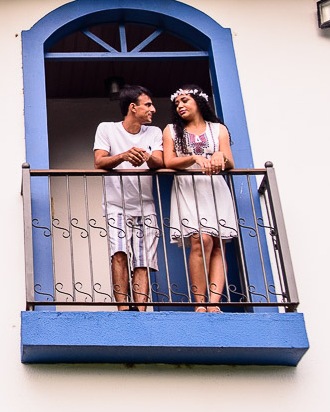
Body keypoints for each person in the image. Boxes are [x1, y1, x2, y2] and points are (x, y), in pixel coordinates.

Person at [162, 85, 237, 312]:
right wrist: (194, 157)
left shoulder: (218, 129)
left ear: (198, 102)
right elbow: (169, 161)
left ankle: (214, 303)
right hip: (189, 187)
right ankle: (199, 301)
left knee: (218, 245)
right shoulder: (171, 131)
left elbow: (230, 163)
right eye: (177, 104)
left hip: (214, 188)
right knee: (200, 239)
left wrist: (219, 155)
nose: (180, 106)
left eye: (185, 101)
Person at [93, 85, 163, 311]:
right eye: (148, 105)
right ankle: (123, 308)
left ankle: (140, 310)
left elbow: (159, 162)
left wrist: (147, 157)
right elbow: (99, 162)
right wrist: (124, 155)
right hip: (116, 205)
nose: (153, 109)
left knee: (143, 260)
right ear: (133, 107)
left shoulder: (154, 132)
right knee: (119, 253)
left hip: (146, 206)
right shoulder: (107, 129)